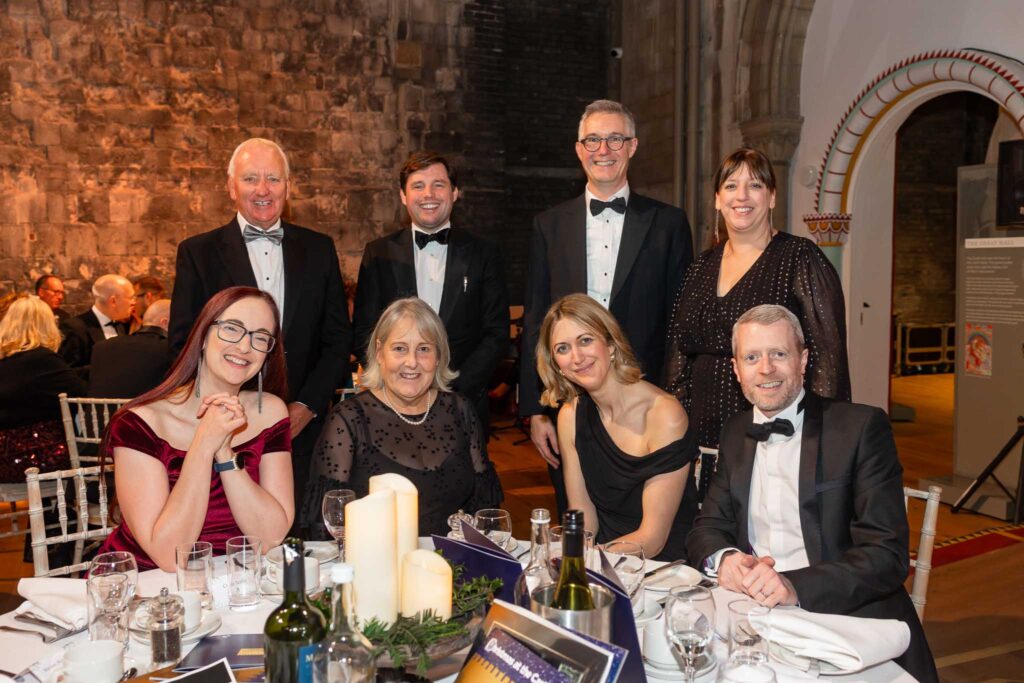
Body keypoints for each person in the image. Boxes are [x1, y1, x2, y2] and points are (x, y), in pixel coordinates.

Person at [687, 304, 937, 683]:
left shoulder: (859, 428)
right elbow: (707, 527)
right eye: (752, 357)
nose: (766, 369)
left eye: (779, 354)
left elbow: (887, 555)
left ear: (803, 360)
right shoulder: (736, 431)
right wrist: (725, 560)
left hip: (845, 619)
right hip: (756, 621)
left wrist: (794, 586)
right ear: (737, 369)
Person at [520, 99, 693, 515]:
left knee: (645, 514)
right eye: (593, 140)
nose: (604, 149)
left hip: (644, 400)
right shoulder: (548, 225)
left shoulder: (668, 223)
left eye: (615, 139)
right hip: (569, 398)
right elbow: (536, 319)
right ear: (579, 150)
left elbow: (680, 321)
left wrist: (674, 396)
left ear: (632, 146)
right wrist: (536, 411)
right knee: (576, 516)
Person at [169, 138, 351, 533]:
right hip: (224, 426)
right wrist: (220, 412)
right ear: (231, 186)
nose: (263, 189)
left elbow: (338, 339)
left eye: (273, 179)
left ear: (288, 186)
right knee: (229, 535)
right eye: (250, 179)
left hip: (303, 430)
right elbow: (183, 341)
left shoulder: (319, 249)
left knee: (299, 534)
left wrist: (306, 406)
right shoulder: (198, 253)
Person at [663, 147, 850, 495]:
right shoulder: (700, 267)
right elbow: (678, 354)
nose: (742, 196)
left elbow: (828, 360)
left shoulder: (800, 258)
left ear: (772, 197)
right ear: (717, 199)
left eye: (755, 185)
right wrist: (675, 426)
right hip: (700, 440)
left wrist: (814, 440)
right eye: (731, 186)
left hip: (775, 436)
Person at [98, 287, 293, 571]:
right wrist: (204, 441)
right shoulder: (139, 422)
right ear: (202, 336)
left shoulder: (270, 411)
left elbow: (271, 538)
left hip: (237, 577)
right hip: (147, 582)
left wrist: (225, 452)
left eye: (261, 337)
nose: (244, 347)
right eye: (231, 328)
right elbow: (169, 557)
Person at [303, 297, 502, 538]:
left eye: (424, 349)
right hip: (374, 559)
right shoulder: (348, 420)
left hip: (451, 559)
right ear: (379, 353)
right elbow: (325, 527)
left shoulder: (460, 411)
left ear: (439, 357)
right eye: (399, 348)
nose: (412, 362)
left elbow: (485, 511)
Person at [352, 151, 509, 427]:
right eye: (418, 186)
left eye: (438, 184)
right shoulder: (378, 254)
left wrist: (452, 390)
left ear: (454, 192)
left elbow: (496, 333)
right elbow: (364, 331)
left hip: (464, 405)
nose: (429, 194)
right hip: (393, 406)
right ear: (403, 195)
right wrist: (398, 387)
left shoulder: (484, 253)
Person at [536, 294, 697, 560]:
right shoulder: (570, 416)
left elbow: (653, 539)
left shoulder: (663, 414)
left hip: (665, 567)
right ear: (557, 366)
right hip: (605, 558)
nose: (577, 357)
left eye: (585, 340)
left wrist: (582, 560)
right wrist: (574, 559)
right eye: (562, 349)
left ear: (610, 345)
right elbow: (585, 520)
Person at [0, 297, 86, 482]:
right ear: (46, 325)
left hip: (5, 459)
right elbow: (81, 395)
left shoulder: (5, 359)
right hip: (36, 458)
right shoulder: (42, 359)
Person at [88, 299, 172, 398]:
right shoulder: (169, 349)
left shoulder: (101, 347)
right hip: (141, 407)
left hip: (100, 408)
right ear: (165, 322)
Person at [58, 274, 135, 371]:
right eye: (131, 298)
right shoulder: (75, 328)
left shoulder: (121, 326)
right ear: (113, 301)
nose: (133, 302)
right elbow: (66, 372)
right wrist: (109, 366)